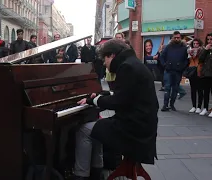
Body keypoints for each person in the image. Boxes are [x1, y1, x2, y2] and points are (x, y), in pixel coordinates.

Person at [72, 39, 158, 180]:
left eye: (105, 59)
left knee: (84, 129)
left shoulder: (126, 67)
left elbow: (118, 102)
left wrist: (93, 100)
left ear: (112, 55)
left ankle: (81, 175)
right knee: (98, 128)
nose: (104, 64)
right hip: (144, 125)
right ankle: (97, 169)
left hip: (133, 129)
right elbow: (127, 94)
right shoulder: (134, 63)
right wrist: (104, 95)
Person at [160, 31, 188, 111]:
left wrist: (182, 67)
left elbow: (186, 60)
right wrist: (165, 65)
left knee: (175, 89)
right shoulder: (168, 47)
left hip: (178, 71)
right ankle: (165, 105)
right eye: (175, 37)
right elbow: (162, 57)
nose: (176, 39)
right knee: (167, 87)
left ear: (180, 38)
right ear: (172, 38)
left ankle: (172, 104)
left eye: (178, 37)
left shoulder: (184, 48)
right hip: (168, 70)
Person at [199, 33, 212, 117]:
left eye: (211, 39)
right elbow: (201, 59)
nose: (209, 41)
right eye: (208, 39)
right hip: (206, 73)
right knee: (206, 91)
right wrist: (205, 50)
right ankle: (205, 108)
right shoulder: (207, 49)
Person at [187, 38, 204, 114]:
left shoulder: (202, 51)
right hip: (191, 71)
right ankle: (193, 106)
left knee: (200, 90)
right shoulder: (190, 52)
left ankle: (199, 107)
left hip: (199, 71)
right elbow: (188, 60)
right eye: (194, 43)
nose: (195, 45)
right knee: (193, 90)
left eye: (197, 43)